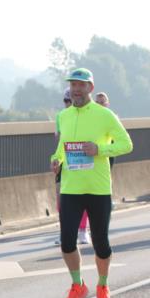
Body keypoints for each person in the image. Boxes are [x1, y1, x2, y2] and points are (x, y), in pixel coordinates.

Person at [50, 68, 133, 298]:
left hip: (98, 189)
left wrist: (99, 150)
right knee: (67, 242)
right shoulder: (63, 116)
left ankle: (103, 287)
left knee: (101, 242)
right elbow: (62, 148)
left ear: (90, 88)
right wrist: (56, 160)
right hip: (71, 188)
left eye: (81, 85)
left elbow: (127, 144)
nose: (76, 89)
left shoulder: (104, 115)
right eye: (73, 85)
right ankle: (78, 285)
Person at [54, 89, 90, 245]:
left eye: (70, 100)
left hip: (82, 160)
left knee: (83, 198)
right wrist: (56, 158)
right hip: (65, 161)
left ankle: (82, 230)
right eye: (65, 101)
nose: (68, 104)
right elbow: (60, 139)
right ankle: (66, 231)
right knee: (61, 199)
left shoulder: (88, 115)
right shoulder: (61, 116)